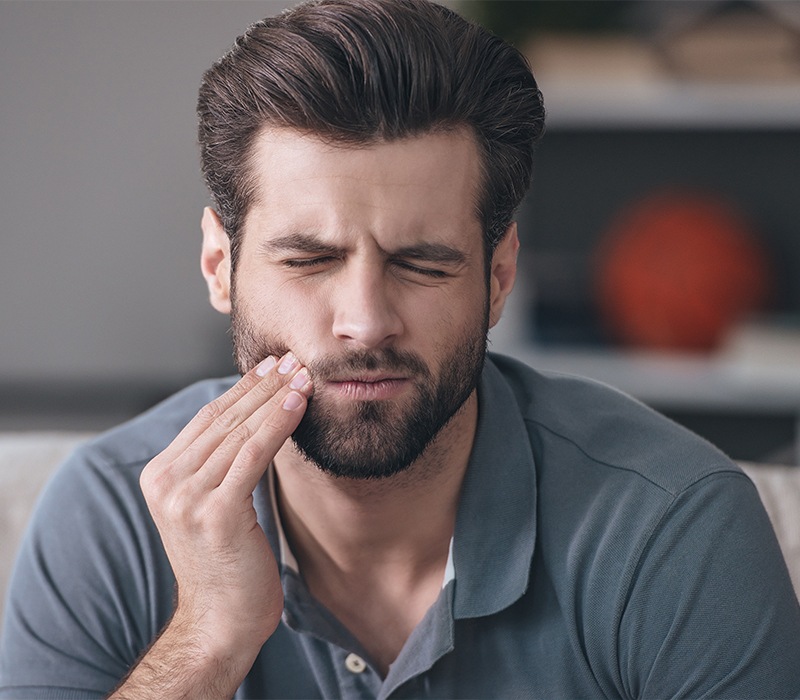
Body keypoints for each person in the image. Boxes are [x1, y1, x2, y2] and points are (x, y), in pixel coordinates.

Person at [2, 0, 799, 697]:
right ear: (221, 266)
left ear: (497, 277)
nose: (365, 321)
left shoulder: (671, 526)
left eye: (422, 264)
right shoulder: (110, 515)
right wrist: (208, 641)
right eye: (308, 260)